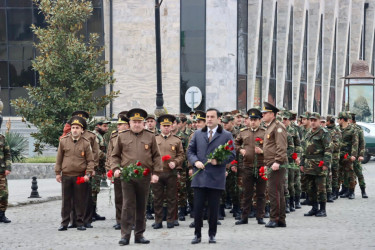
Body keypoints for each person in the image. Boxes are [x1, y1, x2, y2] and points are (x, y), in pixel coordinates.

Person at [111, 108, 162, 246]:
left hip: (144, 176)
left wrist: (156, 173)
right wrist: (115, 168)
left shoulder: (150, 136)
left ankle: (139, 234)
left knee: (141, 205)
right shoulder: (122, 136)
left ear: (144, 123)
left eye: (139, 122)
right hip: (127, 176)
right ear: (130, 123)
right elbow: (114, 156)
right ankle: (125, 236)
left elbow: (157, 156)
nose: (137, 124)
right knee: (127, 205)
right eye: (134, 122)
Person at [187, 108, 235, 244]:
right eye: (207, 117)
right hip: (200, 176)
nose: (208, 119)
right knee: (197, 208)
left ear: (218, 119)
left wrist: (218, 161)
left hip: (216, 177)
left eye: (212, 117)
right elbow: (190, 151)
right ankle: (197, 234)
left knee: (214, 208)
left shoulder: (226, 135)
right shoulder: (197, 134)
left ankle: (212, 234)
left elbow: (232, 154)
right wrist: (195, 161)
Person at [55, 116, 95, 231]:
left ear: (82, 130)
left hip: (80, 176)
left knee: (80, 200)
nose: (75, 130)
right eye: (73, 128)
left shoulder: (86, 143)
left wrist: (88, 174)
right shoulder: (63, 141)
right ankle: (64, 223)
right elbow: (59, 159)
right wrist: (58, 173)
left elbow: (90, 161)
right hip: (66, 175)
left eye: (77, 128)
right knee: (66, 201)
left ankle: (80, 222)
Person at [234, 108, 266, 225]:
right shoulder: (243, 132)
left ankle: (260, 216)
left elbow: (271, 147)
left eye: (255, 120)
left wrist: (262, 151)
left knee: (261, 193)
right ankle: (244, 216)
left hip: (261, 165)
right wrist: (241, 150)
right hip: (247, 166)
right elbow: (235, 143)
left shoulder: (264, 132)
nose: (253, 122)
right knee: (246, 192)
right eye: (251, 119)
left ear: (260, 120)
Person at [153, 114, 185, 229]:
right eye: (164, 125)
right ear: (160, 126)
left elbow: (181, 155)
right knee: (157, 198)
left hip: (171, 172)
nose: (166, 128)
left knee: (172, 197)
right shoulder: (155, 139)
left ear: (171, 126)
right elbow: (150, 155)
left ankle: (171, 220)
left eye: (168, 126)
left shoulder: (176, 140)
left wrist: (175, 163)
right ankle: (158, 220)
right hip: (158, 172)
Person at [261, 102, 288, 228]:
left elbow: (281, 146)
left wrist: (277, 161)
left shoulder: (278, 126)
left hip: (276, 164)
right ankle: (280, 219)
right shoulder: (270, 126)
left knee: (274, 192)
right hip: (272, 163)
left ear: (272, 114)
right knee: (277, 191)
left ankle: (275, 218)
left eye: (265, 113)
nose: (263, 115)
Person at [300, 112, 332, 217]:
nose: (313, 122)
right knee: (310, 187)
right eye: (311, 120)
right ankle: (314, 208)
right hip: (308, 165)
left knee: (321, 187)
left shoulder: (324, 132)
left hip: (319, 164)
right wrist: (302, 163)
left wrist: (326, 163)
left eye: (315, 120)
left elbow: (328, 149)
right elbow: (304, 149)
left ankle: (323, 209)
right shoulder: (308, 133)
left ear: (319, 121)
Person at [106, 114, 129, 230]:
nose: (118, 126)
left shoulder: (131, 136)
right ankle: (119, 220)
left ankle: (131, 220)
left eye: (120, 124)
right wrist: (109, 169)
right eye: (118, 124)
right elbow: (110, 153)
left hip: (129, 170)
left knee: (129, 198)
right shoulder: (114, 136)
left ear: (126, 125)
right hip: (117, 170)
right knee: (119, 197)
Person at [91, 119, 111, 221]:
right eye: (104, 126)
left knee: (95, 190)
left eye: (107, 126)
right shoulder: (95, 136)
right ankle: (90, 213)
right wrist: (108, 157)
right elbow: (97, 152)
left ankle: (93, 212)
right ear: (98, 126)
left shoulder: (101, 136)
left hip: (99, 168)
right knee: (93, 190)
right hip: (94, 167)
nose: (106, 128)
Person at [0, 132, 11, 223]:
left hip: (1, 171)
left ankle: (1, 214)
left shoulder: (2, 138)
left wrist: (8, 167)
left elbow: (7, 154)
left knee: (4, 194)